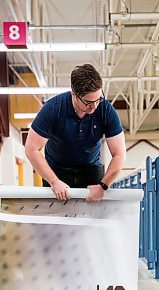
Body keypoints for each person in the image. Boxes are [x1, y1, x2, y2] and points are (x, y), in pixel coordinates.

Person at [25, 64, 126, 202]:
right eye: (88, 102)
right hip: (57, 171)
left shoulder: (105, 110)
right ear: (74, 94)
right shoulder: (52, 109)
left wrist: (103, 186)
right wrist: (54, 181)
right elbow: (31, 149)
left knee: (91, 219)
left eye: (98, 99)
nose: (94, 106)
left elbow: (119, 154)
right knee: (55, 220)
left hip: (91, 170)